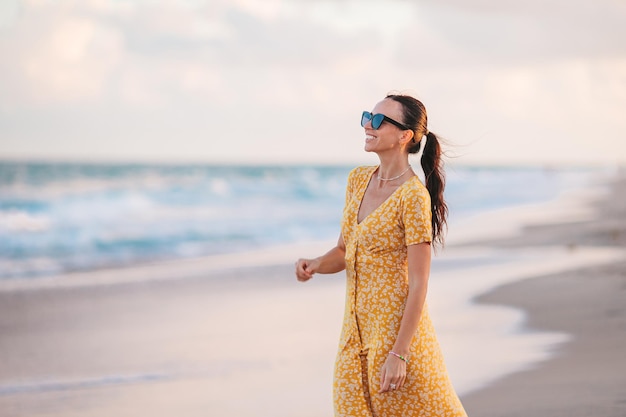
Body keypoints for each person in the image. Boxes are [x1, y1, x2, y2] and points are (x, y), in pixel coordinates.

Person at [295, 94, 467, 416]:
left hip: (396, 342)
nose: (367, 126)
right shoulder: (357, 181)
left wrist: (399, 354)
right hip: (353, 339)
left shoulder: (414, 197)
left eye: (378, 121)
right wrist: (316, 264)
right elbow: (345, 250)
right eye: (366, 117)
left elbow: (419, 283)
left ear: (405, 136)